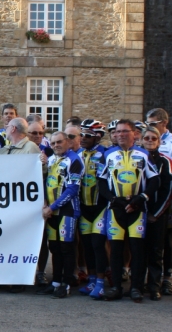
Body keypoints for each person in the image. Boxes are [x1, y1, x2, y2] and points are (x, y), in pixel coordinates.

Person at [99, 120, 159, 302]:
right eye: (118, 132)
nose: (121, 135)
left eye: (125, 131)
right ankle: (116, 287)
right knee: (116, 250)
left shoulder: (144, 154)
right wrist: (112, 199)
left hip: (137, 209)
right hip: (115, 209)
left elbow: (155, 180)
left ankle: (136, 288)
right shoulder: (108, 155)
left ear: (134, 134)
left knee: (137, 250)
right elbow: (101, 181)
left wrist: (142, 198)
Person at [37, 131, 83, 298]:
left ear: (68, 142)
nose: (56, 145)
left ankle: (67, 283)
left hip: (67, 210)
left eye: (59, 142)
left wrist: (53, 206)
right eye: (53, 143)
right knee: (54, 248)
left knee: (66, 248)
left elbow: (72, 189)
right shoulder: (51, 159)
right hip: (51, 211)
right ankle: (55, 282)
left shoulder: (75, 160)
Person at [139, 126, 172, 300]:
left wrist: (157, 213)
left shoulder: (165, 162)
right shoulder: (136, 157)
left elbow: (168, 189)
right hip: (138, 212)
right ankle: (137, 284)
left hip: (157, 213)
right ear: (141, 140)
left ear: (159, 142)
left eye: (154, 138)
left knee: (155, 251)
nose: (150, 141)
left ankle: (154, 285)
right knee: (139, 250)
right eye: (147, 138)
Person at [76, 119, 109, 299]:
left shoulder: (105, 154)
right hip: (84, 207)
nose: (82, 138)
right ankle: (92, 279)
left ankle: (102, 282)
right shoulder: (78, 154)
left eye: (86, 136)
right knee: (87, 245)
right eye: (81, 135)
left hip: (100, 206)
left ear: (97, 137)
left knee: (98, 244)